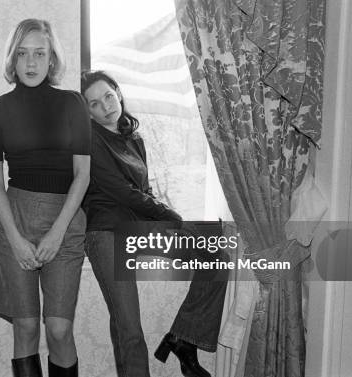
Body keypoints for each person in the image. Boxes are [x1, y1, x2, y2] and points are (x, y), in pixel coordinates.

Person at [80, 70, 228, 377]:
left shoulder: (134, 140)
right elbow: (123, 192)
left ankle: (184, 338)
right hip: (106, 235)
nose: (105, 105)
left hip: (138, 230)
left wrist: (169, 220)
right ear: (89, 113)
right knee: (129, 328)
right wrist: (172, 217)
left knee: (216, 257)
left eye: (108, 96)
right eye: (94, 104)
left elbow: (143, 193)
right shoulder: (91, 141)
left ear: (118, 93)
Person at [0, 19, 91, 377]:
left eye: (39, 53)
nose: (31, 63)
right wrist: (14, 238)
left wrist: (58, 233)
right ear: (13, 59)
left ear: (51, 58)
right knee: (25, 328)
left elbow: (82, 175)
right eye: (23, 53)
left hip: (66, 221)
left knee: (58, 330)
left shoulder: (73, 103)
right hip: (16, 220)